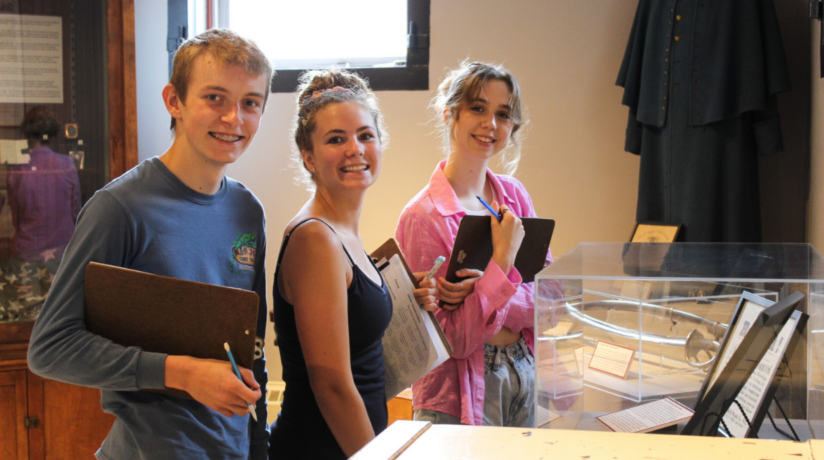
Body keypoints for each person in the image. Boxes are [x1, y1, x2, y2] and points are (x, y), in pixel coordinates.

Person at [27, 29, 272, 460]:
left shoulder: (247, 210)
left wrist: (259, 448)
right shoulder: (119, 208)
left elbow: (252, 354)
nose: (234, 118)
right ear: (174, 100)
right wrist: (182, 373)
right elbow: (51, 348)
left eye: (250, 102)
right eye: (215, 98)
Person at [269, 69, 437, 459]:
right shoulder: (316, 238)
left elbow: (354, 333)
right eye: (336, 139)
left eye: (365, 135)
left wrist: (408, 299)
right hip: (318, 448)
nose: (355, 149)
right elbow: (330, 386)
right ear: (308, 157)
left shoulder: (343, 233)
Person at [396, 61, 550, 427]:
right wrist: (501, 262)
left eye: (503, 114)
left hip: (523, 373)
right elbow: (456, 341)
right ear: (450, 113)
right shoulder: (422, 216)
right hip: (455, 398)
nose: (491, 125)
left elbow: (549, 302)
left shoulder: (514, 196)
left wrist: (484, 291)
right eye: (478, 109)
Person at [7, 106, 81, 262]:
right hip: (62, 251)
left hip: (27, 252)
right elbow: (76, 210)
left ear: (26, 132)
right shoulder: (66, 164)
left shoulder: (17, 170)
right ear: (52, 133)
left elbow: (16, 218)